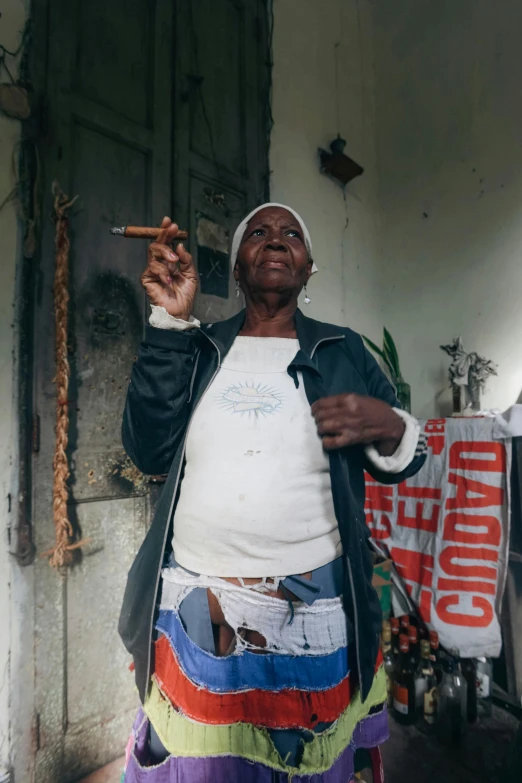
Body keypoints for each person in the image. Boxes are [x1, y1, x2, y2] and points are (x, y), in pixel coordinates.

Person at [119, 203, 427, 781]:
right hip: (200, 609)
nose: (276, 241)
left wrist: (388, 424)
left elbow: (407, 457)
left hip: (312, 609)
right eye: (258, 233)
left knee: (307, 764)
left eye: (291, 234)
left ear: (309, 267)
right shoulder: (199, 346)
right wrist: (167, 326)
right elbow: (148, 449)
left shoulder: (344, 351)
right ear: (236, 268)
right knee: (208, 766)